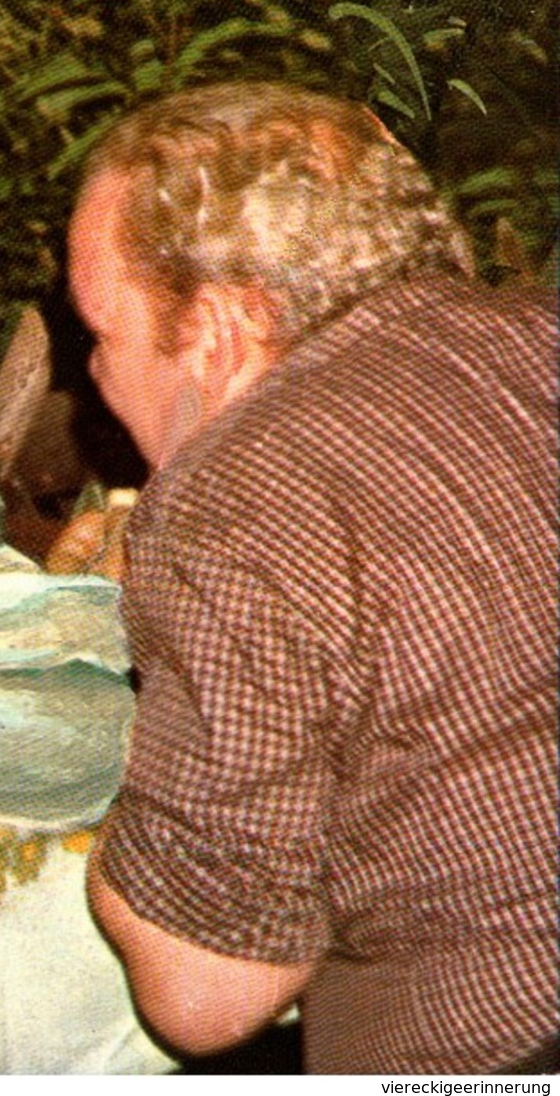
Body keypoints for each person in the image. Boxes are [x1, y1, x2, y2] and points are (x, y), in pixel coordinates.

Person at [67, 81, 557, 1073]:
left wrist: (117, 864)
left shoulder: (233, 500)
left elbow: (206, 993)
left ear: (216, 329)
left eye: (99, 330)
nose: (91, 376)